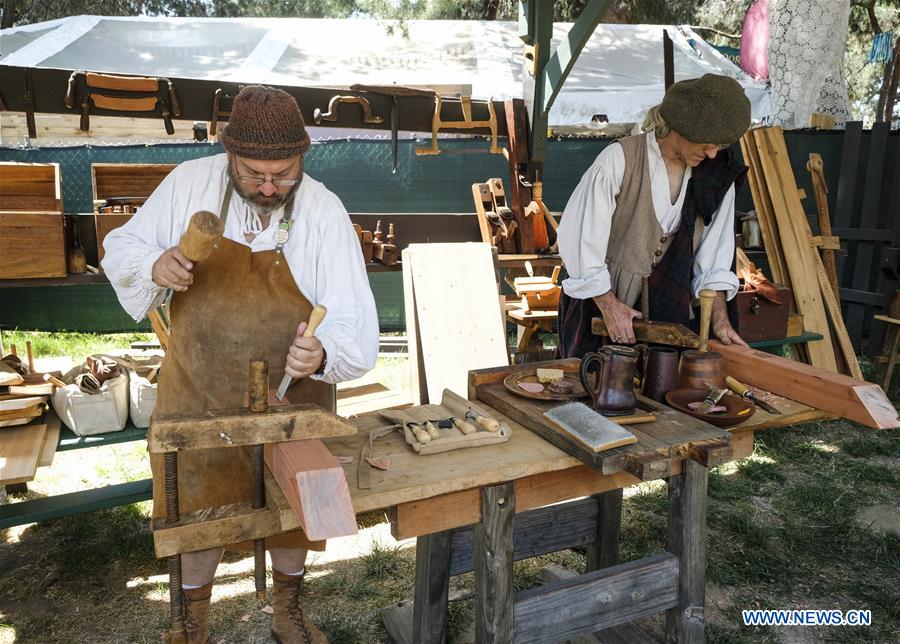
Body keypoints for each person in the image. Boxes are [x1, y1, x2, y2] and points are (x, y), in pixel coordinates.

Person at [103, 85, 379, 644]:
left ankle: (288, 610)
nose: (271, 186)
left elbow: (351, 312)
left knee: (295, 506)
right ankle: (192, 621)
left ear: (302, 157)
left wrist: (323, 352)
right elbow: (121, 245)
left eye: (285, 173)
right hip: (198, 388)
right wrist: (155, 264)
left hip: (291, 393)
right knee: (195, 509)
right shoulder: (188, 184)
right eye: (255, 174)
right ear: (230, 155)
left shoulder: (322, 209)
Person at [556, 73, 751, 357]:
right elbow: (578, 242)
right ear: (683, 127)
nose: (712, 154)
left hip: (670, 311)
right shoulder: (620, 160)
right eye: (707, 143)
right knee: (592, 389)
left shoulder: (716, 176)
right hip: (600, 307)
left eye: (719, 146)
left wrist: (720, 319)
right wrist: (609, 305)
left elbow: (714, 261)